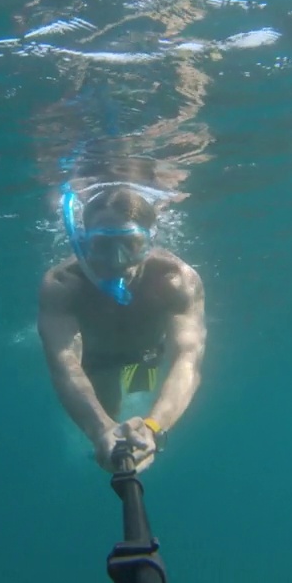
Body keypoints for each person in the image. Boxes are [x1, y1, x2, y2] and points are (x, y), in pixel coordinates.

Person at [37, 181, 206, 473]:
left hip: (148, 356)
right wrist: (101, 428)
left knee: (141, 411)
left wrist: (154, 428)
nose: (116, 261)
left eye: (130, 244)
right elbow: (64, 365)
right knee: (107, 423)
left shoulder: (175, 279)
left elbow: (187, 358)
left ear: (150, 241)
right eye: (102, 245)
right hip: (96, 363)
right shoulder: (63, 284)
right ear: (82, 241)